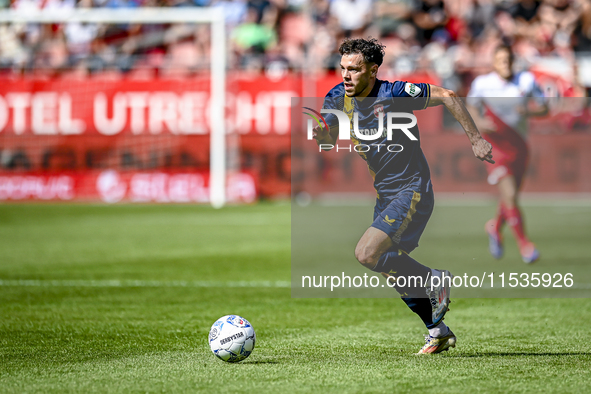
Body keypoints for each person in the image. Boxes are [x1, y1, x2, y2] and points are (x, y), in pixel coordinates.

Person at [312, 37, 494, 354]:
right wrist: (322, 133)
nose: (346, 76)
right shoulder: (338, 96)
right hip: (385, 193)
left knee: (366, 253)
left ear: (372, 70)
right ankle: (437, 330)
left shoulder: (393, 94)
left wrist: (476, 139)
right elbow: (329, 129)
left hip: (412, 189)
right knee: (388, 265)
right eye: (342, 69)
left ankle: (434, 279)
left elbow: (449, 96)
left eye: (354, 70)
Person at [466, 45, 548, 264]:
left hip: (519, 147)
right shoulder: (483, 84)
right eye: (501, 60)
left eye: (508, 59)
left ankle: (494, 228)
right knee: (510, 194)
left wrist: (529, 111)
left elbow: (545, 107)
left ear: (514, 61)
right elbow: (470, 106)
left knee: (510, 197)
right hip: (495, 148)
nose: (505, 64)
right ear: (494, 62)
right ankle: (525, 245)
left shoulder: (527, 81)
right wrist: (480, 122)